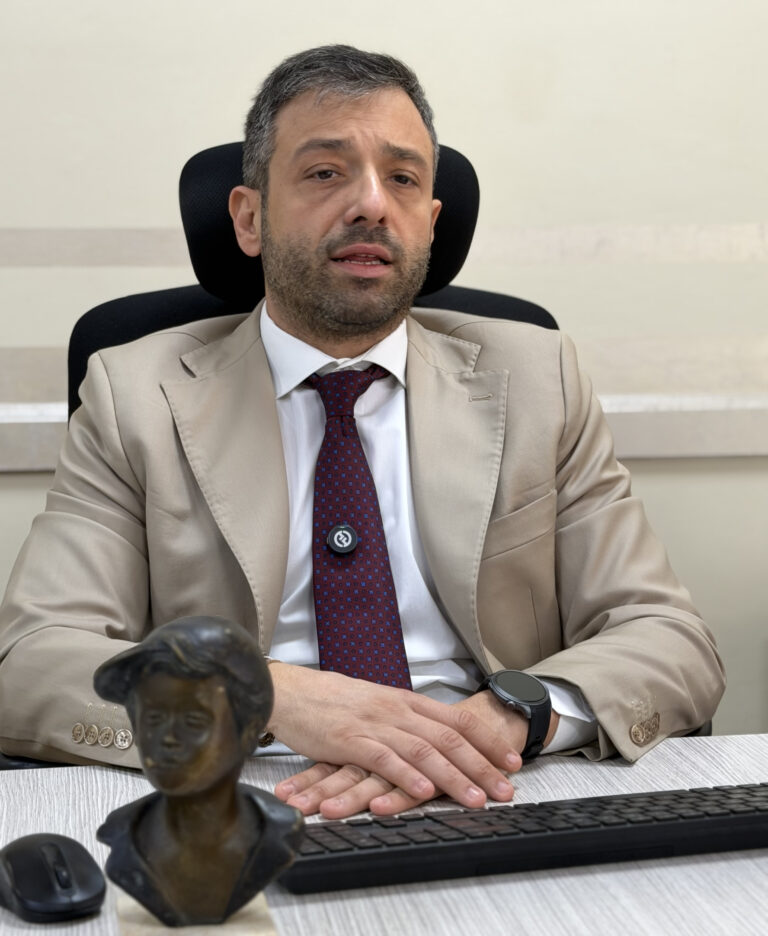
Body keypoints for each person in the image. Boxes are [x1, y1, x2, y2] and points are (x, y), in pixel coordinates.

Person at [0, 45, 724, 821]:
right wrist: (263, 695)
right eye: (325, 172)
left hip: (491, 781)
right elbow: (32, 662)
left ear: (430, 223)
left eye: (403, 179)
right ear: (249, 217)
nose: (372, 204)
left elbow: (668, 636)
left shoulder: (538, 377)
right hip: (249, 790)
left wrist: (512, 716)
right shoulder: (133, 394)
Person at [94, 615, 303, 926]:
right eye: (153, 719)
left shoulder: (277, 831)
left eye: (193, 721)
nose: (167, 737)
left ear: (248, 734)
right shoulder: (124, 833)